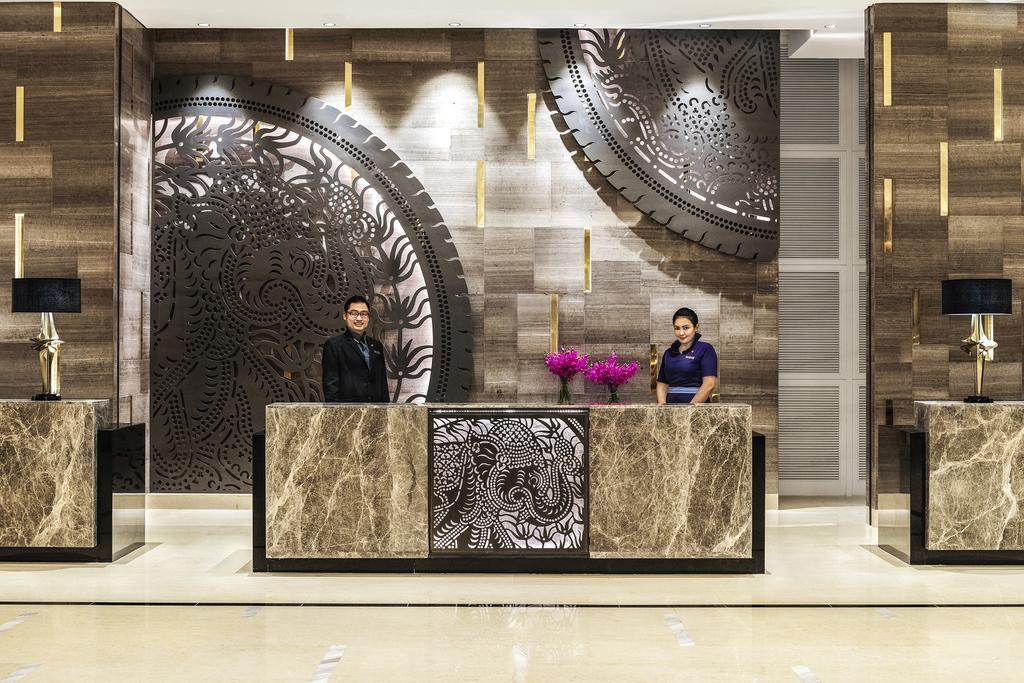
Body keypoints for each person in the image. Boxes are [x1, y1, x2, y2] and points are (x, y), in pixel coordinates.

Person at [321, 295, 389, 403]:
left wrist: (386, 409)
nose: (359, 318)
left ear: (368, 317)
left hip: (375, 410)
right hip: (348, 411)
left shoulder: (376, 345)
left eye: (363, 314)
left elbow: (383, 385)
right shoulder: (334, 345)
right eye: (354, 313)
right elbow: (330, 387)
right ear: (345, 316)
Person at [655, 307, 718, 405]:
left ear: (696, 327)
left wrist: (689, 410)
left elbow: (709, 384)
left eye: (686, 328)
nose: (681, 333)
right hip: (671, 408)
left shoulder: (705, 349)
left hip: (697, 410)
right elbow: (662, 383)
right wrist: (662, 408)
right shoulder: (668, 353)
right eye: (677, 328)